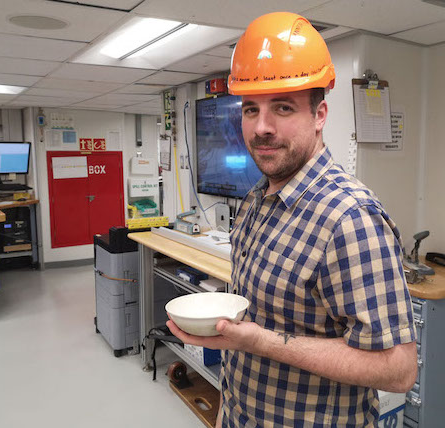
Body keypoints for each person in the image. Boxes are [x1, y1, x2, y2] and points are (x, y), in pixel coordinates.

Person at [167, 12, 418, 427]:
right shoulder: (254, 202)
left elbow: (398, 369)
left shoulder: (349, 219)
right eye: (250, 109)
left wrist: (260, 342)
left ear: (320, 115)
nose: (261, 128)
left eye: (282, 108)